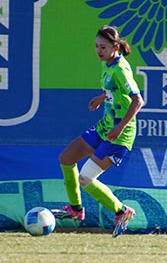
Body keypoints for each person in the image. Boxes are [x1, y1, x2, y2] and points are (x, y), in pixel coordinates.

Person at [57, 25, 144, 237]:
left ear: (115, 47)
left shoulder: (121, 70)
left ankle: (122, 212)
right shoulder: (107, 64)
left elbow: (138, 101)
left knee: (86, 178)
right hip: (105, 126)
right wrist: (102, 97)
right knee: (66, 159)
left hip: (119, 134)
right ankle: (75, 210)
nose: (99, 50)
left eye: (103, 47)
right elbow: (114, 90)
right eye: (96, 46)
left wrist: (120, 127)